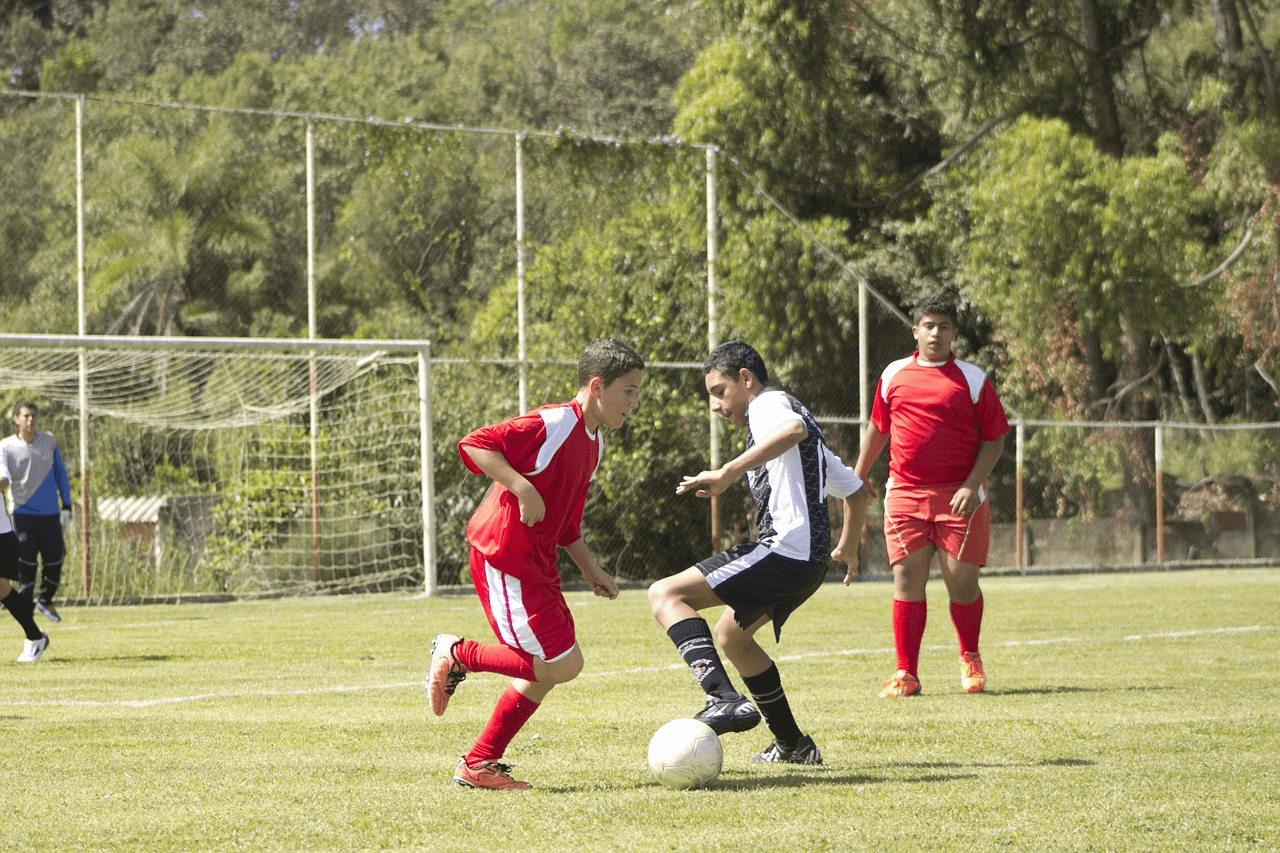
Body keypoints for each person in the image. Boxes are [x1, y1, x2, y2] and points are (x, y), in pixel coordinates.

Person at [427, 337, 645, 790]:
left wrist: (590, 568)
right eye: (628, 391)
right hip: (504, 555)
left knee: (548, 668)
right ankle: (457, 653)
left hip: (537, 565)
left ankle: (479, 763)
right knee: (562, 664)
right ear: (597, 386)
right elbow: (475, 444)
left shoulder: (594, 444)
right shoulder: (555, 422)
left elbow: (567, 522)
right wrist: (521, 486)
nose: (634, 403)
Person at [648, 341, 868, 766]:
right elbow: (856, 492)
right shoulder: (803, 430)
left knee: (665, 594)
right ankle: (794, 745)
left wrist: (729, 471)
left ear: (745, 379)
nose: (716, 405)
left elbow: (792, 430)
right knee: (732, 636)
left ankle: (722, 698)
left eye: (719, 391)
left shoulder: (767, 405)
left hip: (786, 551)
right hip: (808, 563)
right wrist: (848, 547)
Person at [853, 291, 1009, 698]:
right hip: (905, 494)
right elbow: (879, 428)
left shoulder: (972, 379)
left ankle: (970, 656)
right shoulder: (893, 374)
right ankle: (906, 673)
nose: (935, 333)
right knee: (907, 579)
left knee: (962, 584)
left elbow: (994, 439)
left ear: (953, 333)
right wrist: (859, 475)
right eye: (928, 325)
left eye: (943, 326)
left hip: (960, 496)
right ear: (915, 331)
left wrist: (972, 485)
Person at [1, 402, 73, 623]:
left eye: (33, 415)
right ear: (17, 419)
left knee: (56, 557)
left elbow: (60, 473)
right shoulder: (6, 446)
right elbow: (4, 477)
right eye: (26, 416)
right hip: (21, 513)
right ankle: (25, 610)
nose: (30, 419)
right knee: (27, 563)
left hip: (50, 513)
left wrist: (67, 505)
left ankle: (45, 599)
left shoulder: (48, 442)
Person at [0, 448, 51, 662]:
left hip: (1, 534)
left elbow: (3, 480)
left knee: (1, 588)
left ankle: (35, 636)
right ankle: (36, 636)